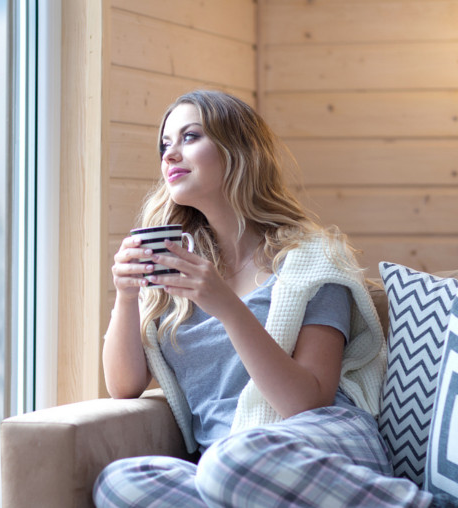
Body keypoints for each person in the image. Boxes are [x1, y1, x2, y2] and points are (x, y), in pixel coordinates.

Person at [94, 90, 435, 507]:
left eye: (190, 137)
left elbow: (306, 400)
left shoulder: (312, 259)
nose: (170, 154)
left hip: (320, 444)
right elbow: (124, 386)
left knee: (231, 460)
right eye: (165, 144)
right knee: (121, 480)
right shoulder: (177, 265)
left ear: (238, 151)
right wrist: (127, 296)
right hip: (231, 467)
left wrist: (227, 308)